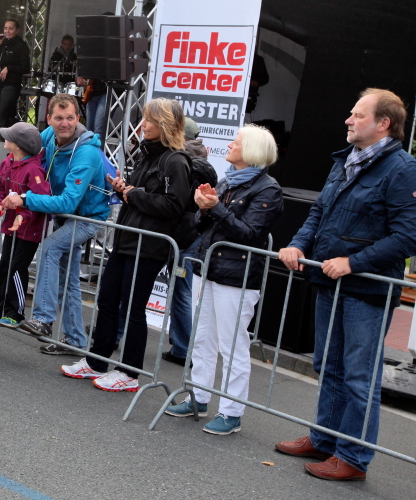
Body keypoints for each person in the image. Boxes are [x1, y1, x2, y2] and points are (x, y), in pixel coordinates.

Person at [274, 89, 416, 481]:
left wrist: (353, 263)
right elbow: (319, 213)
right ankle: (325, 438)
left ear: (383, 123)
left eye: (357, 115)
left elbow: (408, 236)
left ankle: (352, 457)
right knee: (328, 365)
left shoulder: (403, 169)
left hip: (367, 292)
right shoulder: (346, 160)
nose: (348, 121)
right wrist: (298, 244)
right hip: (330, 282)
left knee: (358, 375)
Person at [61, 98, 192, 391]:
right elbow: (142, 196)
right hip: (127, 239)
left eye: (149, 120)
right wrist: (124, 190)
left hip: (149, 245)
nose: (143, 124)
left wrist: (133, 194)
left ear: (165, 125)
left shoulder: (176, 161)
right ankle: (97, 361)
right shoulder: (147, 154)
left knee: (133, 309)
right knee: (107, 299)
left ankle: (129, 372)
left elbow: (174, 206)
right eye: (144, 118)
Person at [164, 124, 283, 436]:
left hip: (237, 278)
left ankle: (231, 412)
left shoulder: (268, 189)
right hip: (209, 268)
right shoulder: (229, 180)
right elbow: (203, 227)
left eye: (237, 142)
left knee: (232, 346)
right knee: (202, 339)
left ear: (252, 150)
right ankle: (198, 397)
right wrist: (204, 209)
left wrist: (215, 208)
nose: (230, 145)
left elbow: (249, 234)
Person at [6, 93, 110, 354]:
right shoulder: (49, 136)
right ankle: (75, 341)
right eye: (59, 118)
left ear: (78, 118)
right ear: (49, 118)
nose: (65, 123)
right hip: (65, 216)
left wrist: (25, 199)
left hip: (86, 218)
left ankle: (43, 318)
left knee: (50, 248)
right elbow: (21, 157)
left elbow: (68, 202)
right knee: (67, 279)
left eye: (70, 118)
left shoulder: (86, 152)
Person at [0, 122, 50, 328]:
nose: (5, 138)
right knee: (5, 266)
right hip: (11, 226)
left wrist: (23, 215)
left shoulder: (34, 170)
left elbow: (40, 199)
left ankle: (15, 313)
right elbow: (0, 186)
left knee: (17, 268)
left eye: (9, 136)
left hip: (29, 229)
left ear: (19, 145)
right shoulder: (7, 162)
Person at [162, 118, 217, 366]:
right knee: (181, 292)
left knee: (180, 292)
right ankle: (181, 346)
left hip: (179, 235)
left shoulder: (181, 161)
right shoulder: (203, 162)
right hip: (190, 234)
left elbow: (176, 202)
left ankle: (183, 348)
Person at [0, 19, 30, 128]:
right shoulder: (3, 43)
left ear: (17, 30)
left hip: (10, 84)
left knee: (3, 116)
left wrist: (9, 68)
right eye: (6, 28)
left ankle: (2, 137)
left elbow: (26, 68)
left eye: (11, 28)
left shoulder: (21, 45)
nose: (7, 31)